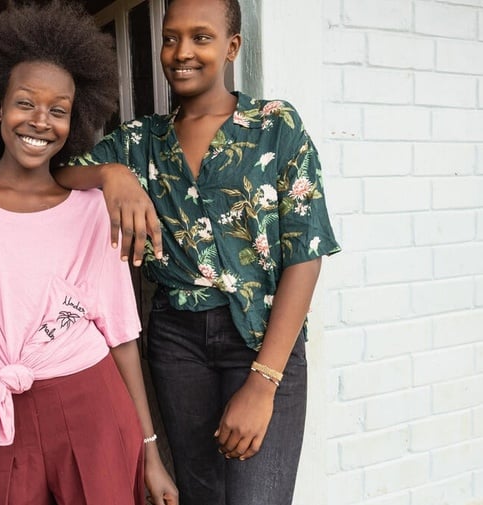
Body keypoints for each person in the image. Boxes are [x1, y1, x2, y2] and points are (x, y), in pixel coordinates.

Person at [53, 0, 341, 504]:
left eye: (201, 38)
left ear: (232, 48)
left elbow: (305, 253)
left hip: (262, 340)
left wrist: (264, 382)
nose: (181, 52)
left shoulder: (276, 126)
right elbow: (58, 173)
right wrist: (111, 174)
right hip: (176, 343)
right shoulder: (140, 142)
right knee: (199, 495)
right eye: (170, 38)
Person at [0, 2, 178, 504]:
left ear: (73, 121)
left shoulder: (92, 210)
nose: (40, 121)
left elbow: (121, 336)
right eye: (25, 103)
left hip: (93, 407)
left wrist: (151, 453)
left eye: (58, 110)